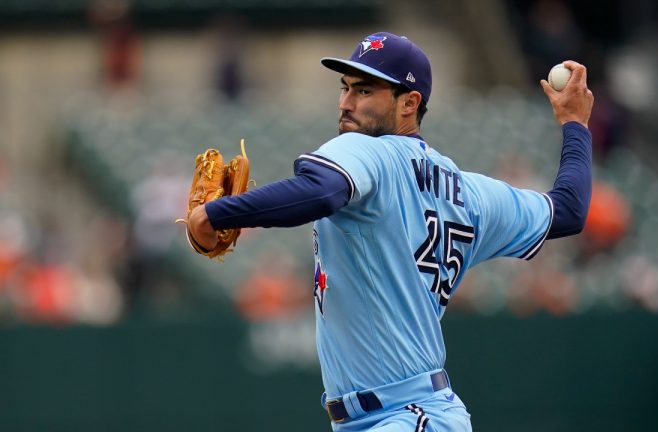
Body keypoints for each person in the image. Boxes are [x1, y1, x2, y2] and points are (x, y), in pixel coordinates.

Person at [187, 32, 593, 431]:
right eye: (345, 88)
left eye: (364, 91)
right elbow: (568, 210)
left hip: (406, 415)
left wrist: (217, 215)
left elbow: (322, 191)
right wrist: (574, 124)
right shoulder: (472, 194)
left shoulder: (367, 149)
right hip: (413, 414)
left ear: (409, 103)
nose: (346, 102)